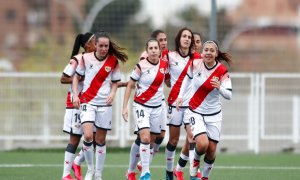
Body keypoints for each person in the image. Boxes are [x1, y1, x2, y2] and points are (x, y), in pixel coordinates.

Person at [72, 31, 128, 180]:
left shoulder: (113, 61)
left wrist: (113, 93)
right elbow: (76, 78)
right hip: (87, 102)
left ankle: (98, 174)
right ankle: (90, 170)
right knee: (88, 135)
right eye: (101, 45)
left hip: (104, 104)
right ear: (95, 45)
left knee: (101, 141)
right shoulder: (85, 58)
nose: (104, 48)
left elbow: (115, 81)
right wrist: (75, 95)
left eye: (106, 46)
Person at [176, 40, 233, 180]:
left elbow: (229, 95)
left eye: (211, 50)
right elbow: (187, 79)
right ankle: (193, 169)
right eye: (206, 50)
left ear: (216, 53)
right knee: (202, 144)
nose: (208, 52)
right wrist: (180, 96)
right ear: (202, 52)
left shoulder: (221, 71)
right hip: (195, 111)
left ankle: (205, 177)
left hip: (214, 115)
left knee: (212, 149)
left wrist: (219, 87)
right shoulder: (195, 64)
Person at [122, 39, 169, 180]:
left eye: (156, 48)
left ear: (159, 50)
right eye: (151, 48)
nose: (154, 50)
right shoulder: (140, 66)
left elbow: (169, 82)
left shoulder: (164, 65)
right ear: (146, 51)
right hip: (141, 106)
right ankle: (145, 173)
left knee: (153, 139)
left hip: (157, 107)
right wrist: (124, 107)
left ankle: (130, 172)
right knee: (145, 138)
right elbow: (130, 85)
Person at [61, 32, 96, 180]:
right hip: (75, 105)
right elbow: (63, 78)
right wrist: (79, 77)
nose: (97, 43)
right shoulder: (77, 59)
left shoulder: (96, 60)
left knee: (94, 138)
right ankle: (66, 174)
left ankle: (77, 162)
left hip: (91, 103)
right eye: (95, 41)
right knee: (75, 140)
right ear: (87, 45)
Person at [163, 27, 196, 180]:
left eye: (189, 37)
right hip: (174, 104)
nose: (187, 39)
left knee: (192, 138)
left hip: (191, 105)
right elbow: (164, 76)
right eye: (184, 36)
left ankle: (188, 171)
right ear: (179, 39)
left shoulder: (197, 58)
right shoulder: (169, 56)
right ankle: (169, 172)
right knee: (174, 140)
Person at [173, 31, 203, 180]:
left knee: (190, 139)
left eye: (198, 42)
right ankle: (194, 172)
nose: (196, 44)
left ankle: (179, 169)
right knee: (188, 138)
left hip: (196, 106)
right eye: (194, 41)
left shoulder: (203, 60)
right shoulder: (184, 59)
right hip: (182, 104)